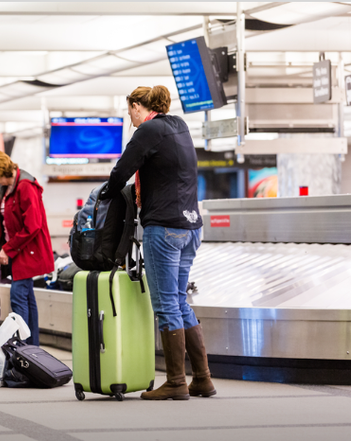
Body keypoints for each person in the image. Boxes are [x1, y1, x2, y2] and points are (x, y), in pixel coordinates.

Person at [101, 85, 214, 401]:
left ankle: (177, 382)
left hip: (164, 228)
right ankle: (202, 379)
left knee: (165, 305)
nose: (131, 120)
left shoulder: (148, 130)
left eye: (130, 113)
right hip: (191, 226)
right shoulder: (180, 126)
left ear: (138, 107)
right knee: (179, 301)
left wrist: (105, 195)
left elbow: (121, 172)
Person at [0, 150, 53, 346]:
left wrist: (8, 249)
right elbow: (1, 226)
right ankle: (31, 349)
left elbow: (33, 225)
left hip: (28, 251)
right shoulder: (3, 190)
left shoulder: (26, 186)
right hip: (18, 251)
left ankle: (23, 348)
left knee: (18, 297)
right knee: (27, 299)